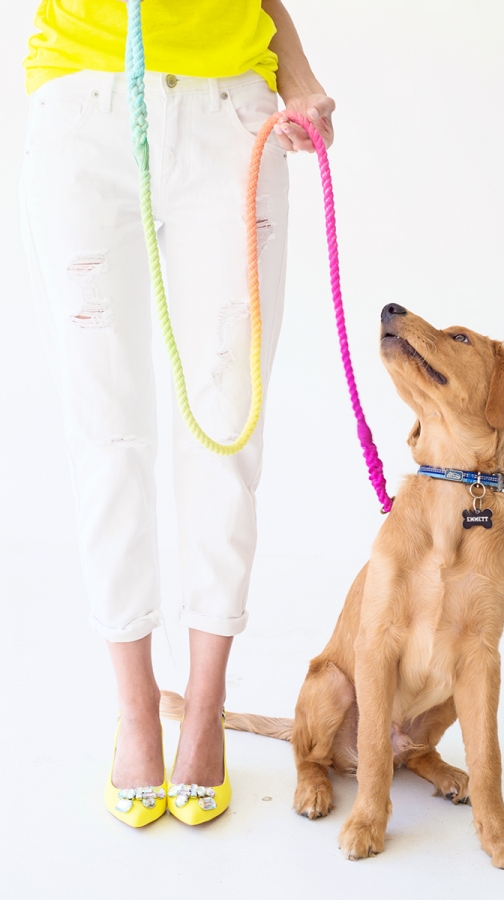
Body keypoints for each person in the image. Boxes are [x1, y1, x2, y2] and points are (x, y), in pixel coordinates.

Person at [21, 0, 334, 826]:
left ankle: (204, 707)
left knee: (227, 425)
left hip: (228, 113)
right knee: (107, 433)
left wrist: (296, 76)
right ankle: (133, 713)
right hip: (84, 106)